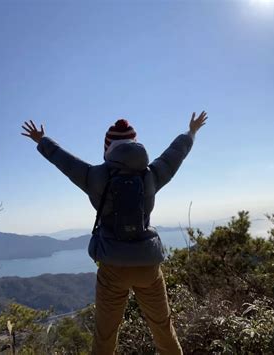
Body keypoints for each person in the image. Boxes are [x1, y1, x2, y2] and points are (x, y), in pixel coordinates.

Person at [21, 111, 207, 355]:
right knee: (163, 327)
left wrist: (42, 140)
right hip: (147, 265)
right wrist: (191, 131)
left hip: (112, 267)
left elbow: (65, 161)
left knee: (105, 334)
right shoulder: (150, 175)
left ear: (108, 148)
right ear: (135, 145)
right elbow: (175, 153)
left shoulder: (94, 176)